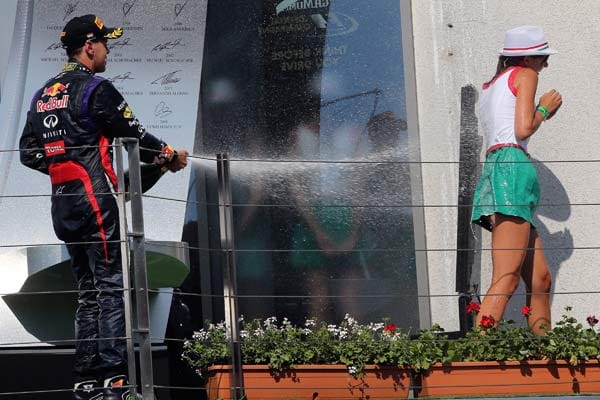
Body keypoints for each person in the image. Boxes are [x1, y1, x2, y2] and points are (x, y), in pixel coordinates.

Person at [18, 14, 188, 400]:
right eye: (106, 43)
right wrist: (169, 155)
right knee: (110, 287)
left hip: (62, 204)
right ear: (89, 46)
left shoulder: (43, 93)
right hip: (95, 201)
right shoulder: (97, 88)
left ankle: (86, 382)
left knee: (88, 292)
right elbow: (134, 133)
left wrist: (65, 163)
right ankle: (114, 381)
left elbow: (30, 153)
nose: (109, 50)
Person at [471, 26, 562, 335]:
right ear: (526, 57)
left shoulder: (490, 86)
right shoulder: (525, 75)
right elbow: (523, 129)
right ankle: (477, 354)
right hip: (512, 168)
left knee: (540, 279)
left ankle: (546, 351)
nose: (545, 64)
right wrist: (544, 110)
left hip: (499, 169)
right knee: (507, 277)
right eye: (543, 57)